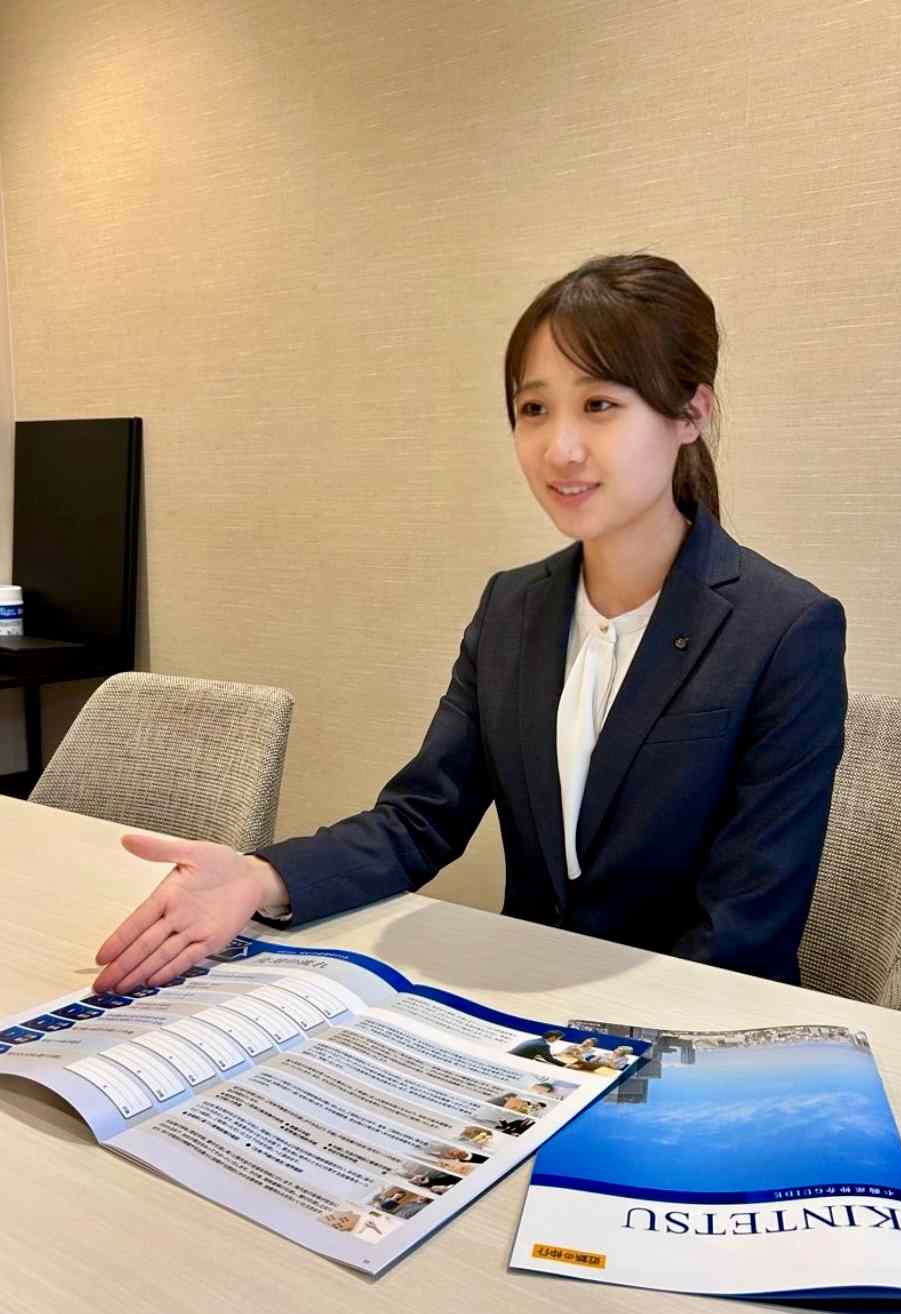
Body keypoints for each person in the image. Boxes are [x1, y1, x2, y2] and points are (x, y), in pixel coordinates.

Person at [91, 253, 847, 996]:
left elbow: (744, 932)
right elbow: (421, 818)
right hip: (522, 1007)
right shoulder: (512, 607)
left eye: (600, 405)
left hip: (689, 1031)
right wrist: (261, 877)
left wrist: (591, 1044)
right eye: (534, 409)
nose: (561, 449)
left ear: (691, 413)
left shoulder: (785, 630)